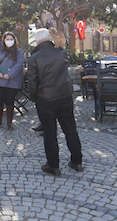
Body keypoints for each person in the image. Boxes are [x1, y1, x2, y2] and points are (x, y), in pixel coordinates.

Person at [28, 28, 83, 177]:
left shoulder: (34, 58)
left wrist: (34, 98)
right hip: (64, 96)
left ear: (37, 41)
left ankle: (53, 166)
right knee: (70, 130)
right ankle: (77, 162)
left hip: (45, 99)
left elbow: (32, 83)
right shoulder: (61, 53)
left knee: (50, 133)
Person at [0, 32, 25, 130]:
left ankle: (9, 122)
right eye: (7, 39)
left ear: (14, 40)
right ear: (4, 40)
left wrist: (9, 74)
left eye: (11, 39)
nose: (9, 41)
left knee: (10, 101)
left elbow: (19, 64)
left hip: (12, 80)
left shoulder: (18, 52)